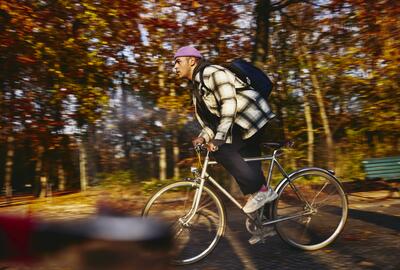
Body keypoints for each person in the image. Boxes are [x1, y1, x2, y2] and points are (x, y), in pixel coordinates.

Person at [173, 45, 278, 243]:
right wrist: (204, 137)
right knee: (249, 168)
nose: (174, 67)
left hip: (252, 117)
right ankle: (265, 225)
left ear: (192, 61)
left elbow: (229, 103)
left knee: (221, 151)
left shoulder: (212, 72)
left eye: (178, 61)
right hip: (239, 124)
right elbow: (211, 122)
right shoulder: (197, 90)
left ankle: (264, 192)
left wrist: (219, 139)